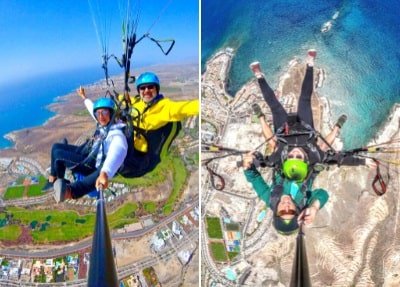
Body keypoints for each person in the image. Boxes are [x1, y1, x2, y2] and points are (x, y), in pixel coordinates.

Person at [244, 50, 375, 235]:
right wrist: (313, 207)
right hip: (306, 132)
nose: (287, 205)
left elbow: (253, 177)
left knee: (274, 108)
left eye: (283, 211)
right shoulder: (314, 163)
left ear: (275, 211)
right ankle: (311, 65)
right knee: (305, 101)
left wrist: (248, 163)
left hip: (284, 135)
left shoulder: (271, 198)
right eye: (292, 210)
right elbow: (335, 169)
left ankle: (259, 78)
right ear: (297, 211)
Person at [48, 89, 128, 203]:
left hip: (94, 166)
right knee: (56, 147)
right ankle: (53, 179)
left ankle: (62, 185)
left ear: (112, 113)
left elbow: (118, 152)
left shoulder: (117, 135)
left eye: (104, 112)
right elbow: (92, 109)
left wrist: (105, 173)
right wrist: (84, 97)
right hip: (89, 154)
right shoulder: (105, 125)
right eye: (98, 113)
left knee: (58, 155)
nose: (100, 116)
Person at [117, 71, 199, 177]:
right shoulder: (137, 102)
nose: (146, 91)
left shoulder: (165, 107)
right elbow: (126, 101)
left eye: (150, 87)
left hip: (140, 157)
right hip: (130, 146)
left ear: (157, 89)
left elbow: (187, 107)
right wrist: (115, 96)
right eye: (143, 88)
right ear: (139, 91)